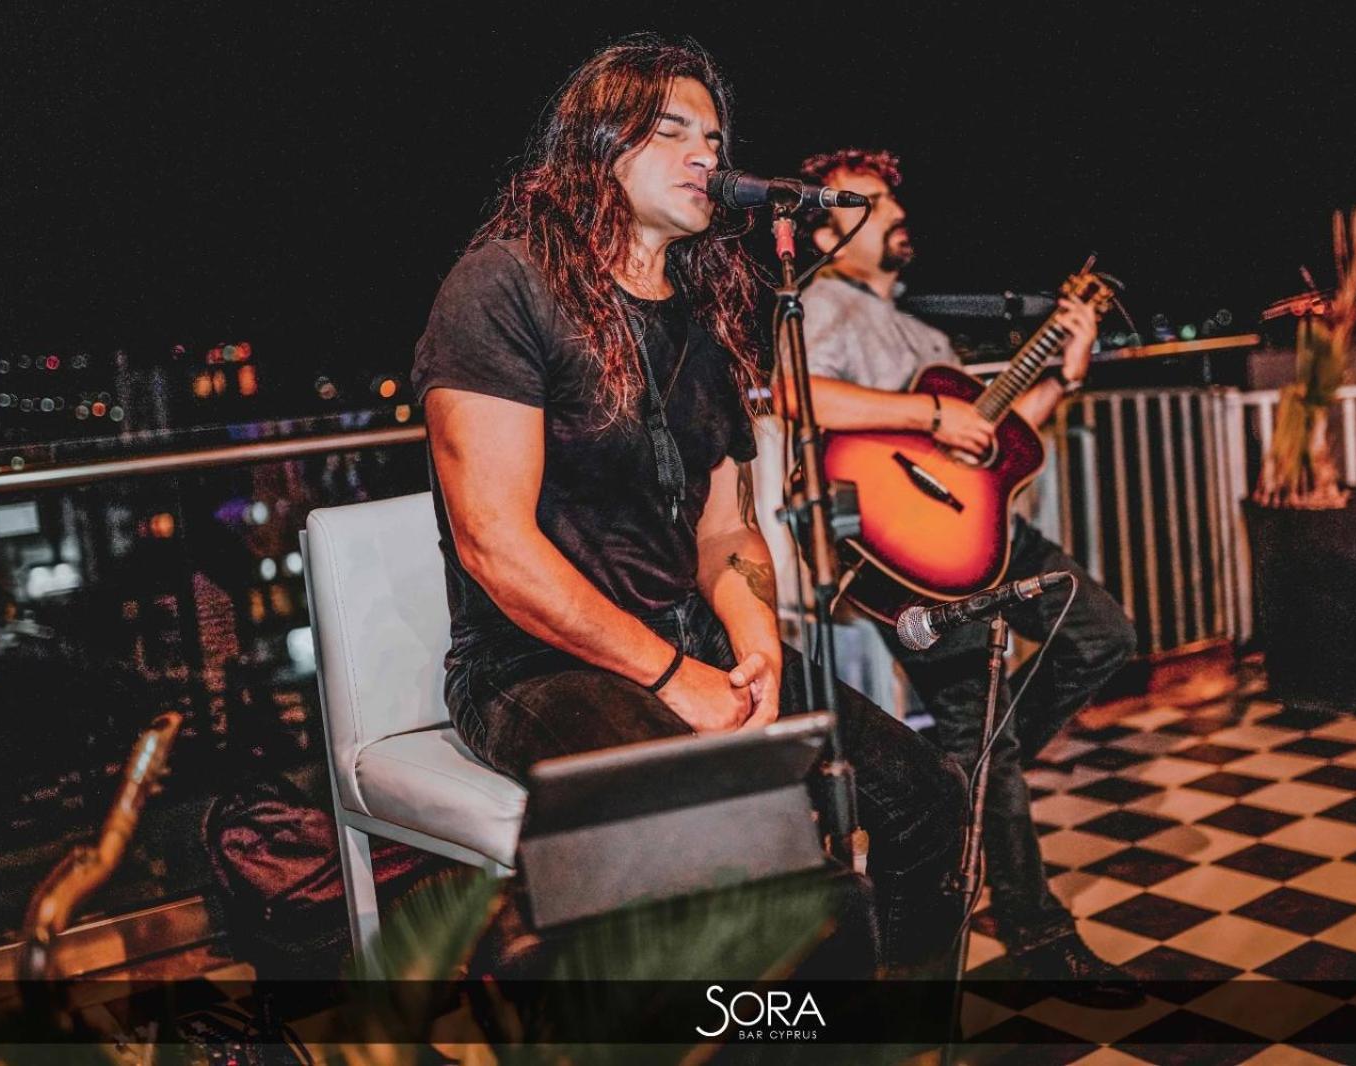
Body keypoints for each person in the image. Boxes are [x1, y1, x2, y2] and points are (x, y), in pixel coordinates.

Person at [409, 40, 966, 974]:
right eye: (671, 131)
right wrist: (673, 678)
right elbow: (494, 543)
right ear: (595, 147)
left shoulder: (705, 316)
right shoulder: (502, 285)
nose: (706, 154)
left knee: (924, 796)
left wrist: (754, 646)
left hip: (694, 640)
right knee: (736, 845)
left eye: (713, 137)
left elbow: (726, 530)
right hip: (536, 665)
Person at [794, 147, 1142, 1002]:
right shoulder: (821, 302)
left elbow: (999, 441)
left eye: (891, 199)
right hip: (910, 553)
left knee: (1101, 635)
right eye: (870, 202)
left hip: (984, 532)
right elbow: (796, 394)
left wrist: (1066, 368)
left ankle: (968, 774)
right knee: (981, 721)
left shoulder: (926, 335)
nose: (894, 211)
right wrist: (929, 413)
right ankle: (1037, 932)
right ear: (826, 233)